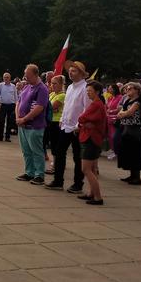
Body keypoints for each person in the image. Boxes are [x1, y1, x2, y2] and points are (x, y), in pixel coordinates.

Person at [45, 61, 90, 193]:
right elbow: (67, 106)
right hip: (65, 125)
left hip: (77, 127)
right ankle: (58, 181)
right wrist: (62, 120)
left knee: (77, 157)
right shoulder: (70, 87)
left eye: (74, 71)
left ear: (82, 74)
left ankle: (78, 184)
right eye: (70, 70)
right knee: (59, 153)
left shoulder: (85, 88)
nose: (70, 72)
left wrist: (78, 125)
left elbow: (86, 109)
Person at [15, 64, 49, 185]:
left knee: (36, 151)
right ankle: (29, 172)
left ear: (36, 75)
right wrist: (18, 117)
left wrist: (24, 119)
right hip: (23, 125)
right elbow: (18, 102)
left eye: (28, 75)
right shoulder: (26, 87)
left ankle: (39, 174)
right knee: (26, 151)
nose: (25, 77)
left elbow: (39, 107)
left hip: (35, 125)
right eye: (25, 75)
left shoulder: (42, 89)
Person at [77, 81, 107, 205]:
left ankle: (98, 197)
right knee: (92, 169)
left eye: (90, 91)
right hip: (94, 138)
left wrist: (83, 122)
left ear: (97, 92)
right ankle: (92, 193)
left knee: (86, 169)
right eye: (87, 90)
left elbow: (82, 118)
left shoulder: (96, 105)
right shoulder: (97, 104)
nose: (88, 93)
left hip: (90, 139)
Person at [117, 82, 141, 185]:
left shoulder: (137, 102)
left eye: (130, 89)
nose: (127, 90)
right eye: (127, 89)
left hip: (134, 129)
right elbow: (120, 111)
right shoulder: (128, 100)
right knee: (128, 152)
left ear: (136, 90)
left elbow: (129, 112)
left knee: (135, 153)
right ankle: (132, 175)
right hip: (126, 127)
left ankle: (136, 177)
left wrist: (123, 114)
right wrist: (123, 113)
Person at [46, 75, 66, 174]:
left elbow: (50, 107)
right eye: (51, 83)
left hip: (57, 122)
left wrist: (50, 108)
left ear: (61, 84)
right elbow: (48, 106)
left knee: (56, 145)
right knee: (53, 144)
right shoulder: (52, 94)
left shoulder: (62, 95)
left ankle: (56, 165)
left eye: (55, 83)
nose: (52, 85)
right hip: (51, 121)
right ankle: (55, 163)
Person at [0, 72, 17, 142]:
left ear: (10, 78)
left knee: (9, 121)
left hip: (11, 105)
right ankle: (0, 136)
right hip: (3, 105)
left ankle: (7, 137)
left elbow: (15, 96)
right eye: (5, 77)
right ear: (3, 78)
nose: (6, 79)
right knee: (1, 120)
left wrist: (17, 105)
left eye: (7, 77)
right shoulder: (0, 85)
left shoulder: (13, 86)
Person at [105, 84, 123, 160]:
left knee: (114, 136)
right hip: (109, 119)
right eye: (108, 89)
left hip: (116, 119)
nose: (109, 90)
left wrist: (111, 111)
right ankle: (113, 150)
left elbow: (120, 108)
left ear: (115, 89)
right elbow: (107, 107)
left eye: (110, 89)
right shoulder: (110, 97)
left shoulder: (120, 97)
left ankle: (116, 152)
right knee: (110, 136)